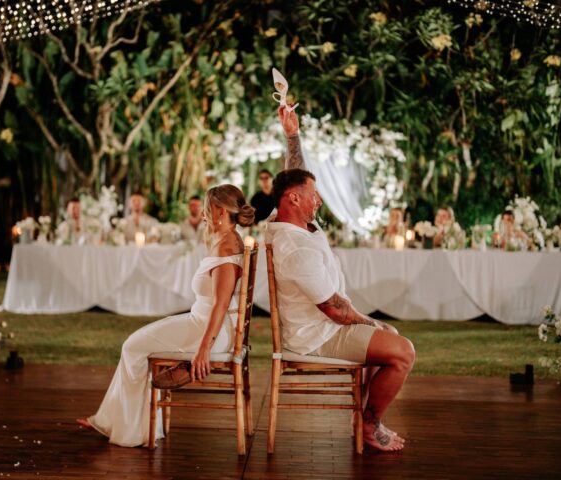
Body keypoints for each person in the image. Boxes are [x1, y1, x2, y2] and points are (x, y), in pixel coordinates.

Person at [266, 105, 415, 452]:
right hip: (317, 337)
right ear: (294, 199)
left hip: (325, 328)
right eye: (313, 195)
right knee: (403, 352)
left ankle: (360, 418)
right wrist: (370, 322)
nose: (319, 200)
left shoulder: (290, 221)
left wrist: (292, 135)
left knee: (387, 336)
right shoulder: (294, 247)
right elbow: (334, 309)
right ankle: (368, 424)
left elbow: (295, 174)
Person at [80, 185, 256, 446]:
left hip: (209, 331)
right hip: (205, 323)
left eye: (207, 210)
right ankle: (119, 422)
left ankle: (130, 432)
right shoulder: (229, 240)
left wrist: (203, 349)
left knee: (132, 346)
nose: (204, 216)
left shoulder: (227, 248)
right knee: (136, 343)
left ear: (219, 211)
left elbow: (220, 304)